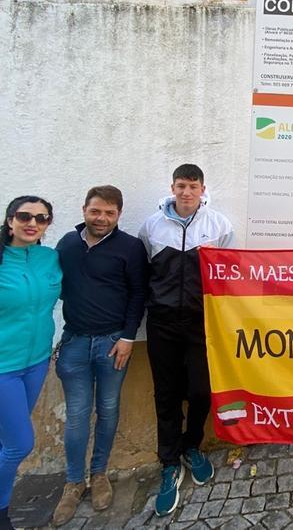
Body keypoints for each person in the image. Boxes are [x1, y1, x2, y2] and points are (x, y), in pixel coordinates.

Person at [139, 164, 234, 517]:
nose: (186, 192)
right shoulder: (152, 226)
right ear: (172, 187)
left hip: (201, 323)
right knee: (165, 392)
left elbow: (228, 276)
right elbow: (146, 271)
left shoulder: (219, 225)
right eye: (181, 186)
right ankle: (169, 462)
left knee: (199, 390)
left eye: (192, 186)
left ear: (202, 188)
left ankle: (191, 445)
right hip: (162, 324)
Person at [50, 186, 147, 526]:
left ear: (118, 214)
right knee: (77, 414)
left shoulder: (131, 247)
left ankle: (100, 474)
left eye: (109, 213)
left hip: (112, 344)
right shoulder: (67, 244)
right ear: (84, 210)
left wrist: (127, 337)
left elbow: (138, 295)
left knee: (107, 408)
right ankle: (74, 483)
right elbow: (54, 285)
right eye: (96, 211)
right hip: (74, 342)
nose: (102, 218)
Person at [0, 196, 60, 530]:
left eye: (41, 218)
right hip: (2, 367)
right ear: (10, 220)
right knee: (20, 444)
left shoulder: (49, 259)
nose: (32, 223)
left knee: (4, 441)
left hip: (37, 363)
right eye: (24, 216)